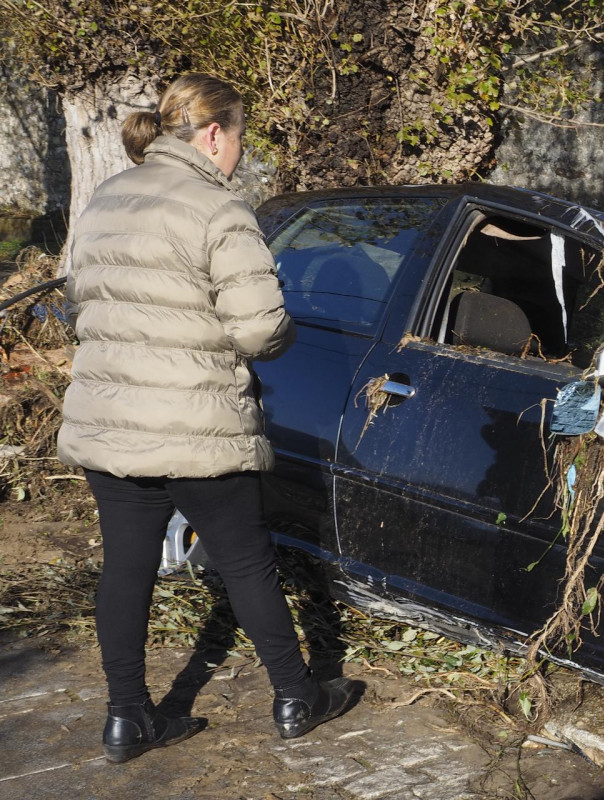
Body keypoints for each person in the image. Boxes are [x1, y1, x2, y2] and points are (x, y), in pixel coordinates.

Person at [57, 73, 360, 763]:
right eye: (240, 141)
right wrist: (278, 332)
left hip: (111, 423)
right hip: (199, 426)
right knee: (248, 564)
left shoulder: (106, 199)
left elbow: (84, 297)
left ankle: (126, 720)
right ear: (215, 133)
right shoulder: (218, 209)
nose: (239, 157)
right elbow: (259, 332)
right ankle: (294, 696)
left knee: (125, 570)